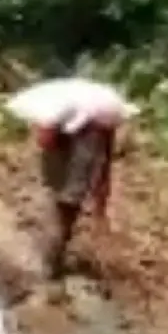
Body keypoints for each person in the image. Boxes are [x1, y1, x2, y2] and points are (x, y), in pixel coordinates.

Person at [36, 117, 117, 281]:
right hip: (78, 168)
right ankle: (52, 263)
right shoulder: (102, 115)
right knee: (65, 217)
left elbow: (45, 141)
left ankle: (52, 259)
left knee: (60, 212)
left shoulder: (62, 110)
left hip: (62, 166)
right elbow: (106, 152)